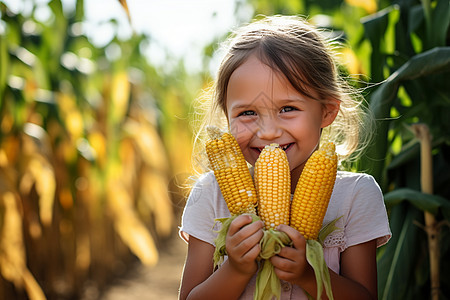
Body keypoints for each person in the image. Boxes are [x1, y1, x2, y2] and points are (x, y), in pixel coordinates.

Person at [178, 15, 391, 300]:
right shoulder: (209, 195)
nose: (267, 133)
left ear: (327, 111)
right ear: (227, 117)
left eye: (288, 108)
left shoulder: (356, 196)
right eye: (247, 113)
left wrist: (309, 275)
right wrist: (236, 270)